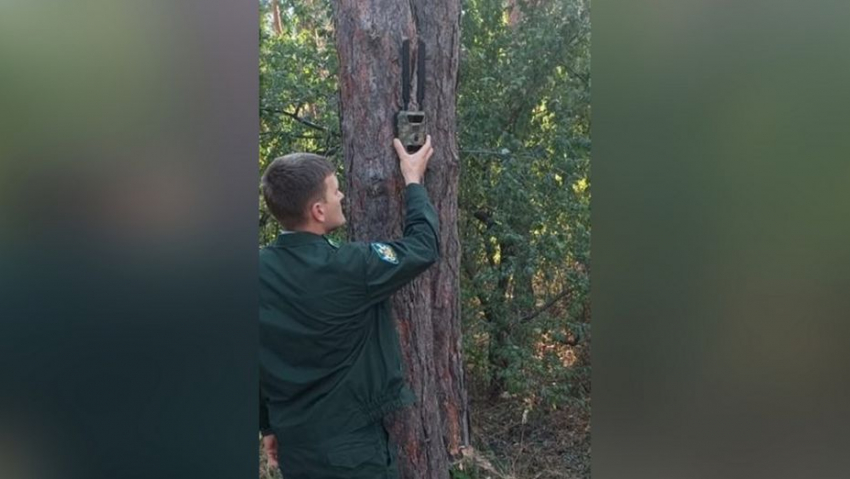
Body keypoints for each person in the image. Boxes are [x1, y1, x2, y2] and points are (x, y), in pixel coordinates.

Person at [259, 136, 438, 479]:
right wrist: (413, 181)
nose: (341, 196)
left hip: (297, 448)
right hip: (352, 452)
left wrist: (267, 425)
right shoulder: (350, 267)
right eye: (335, 190)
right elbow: (423, 247)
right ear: (318, 210)